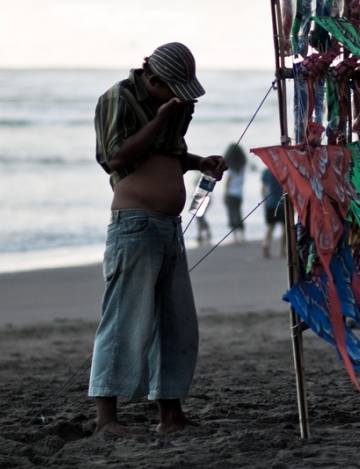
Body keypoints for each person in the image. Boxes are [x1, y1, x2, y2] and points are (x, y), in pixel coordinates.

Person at [90, 42, 227, 436]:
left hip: (168, 225)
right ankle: (106, 420)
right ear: (151, 79)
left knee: (174, 322)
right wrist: (161, 117)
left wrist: (199, 162)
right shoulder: (118, 98)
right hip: (134, 223)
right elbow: (116, 158)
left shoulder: (174, 105)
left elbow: (167, 155)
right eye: (173, 91)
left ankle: (171, 415)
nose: (179, 99)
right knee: (125, 319)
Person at [223, 143, 247, 244]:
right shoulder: (243, 167)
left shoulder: (231, 168)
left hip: (231, 193)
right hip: (239, 194)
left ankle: (235, 237)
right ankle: (242, 236)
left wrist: (224, 194)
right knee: (238, 213)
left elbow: (228, 182)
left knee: (232, 214)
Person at [261, 167, 286, 258]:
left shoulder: (266, 171)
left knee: (270, 226)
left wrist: (264, 200)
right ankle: (282, 249)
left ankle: (266, 244)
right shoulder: (283, 170)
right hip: (283, 203)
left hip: (270, 202)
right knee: (285, 228)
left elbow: (263, 188)